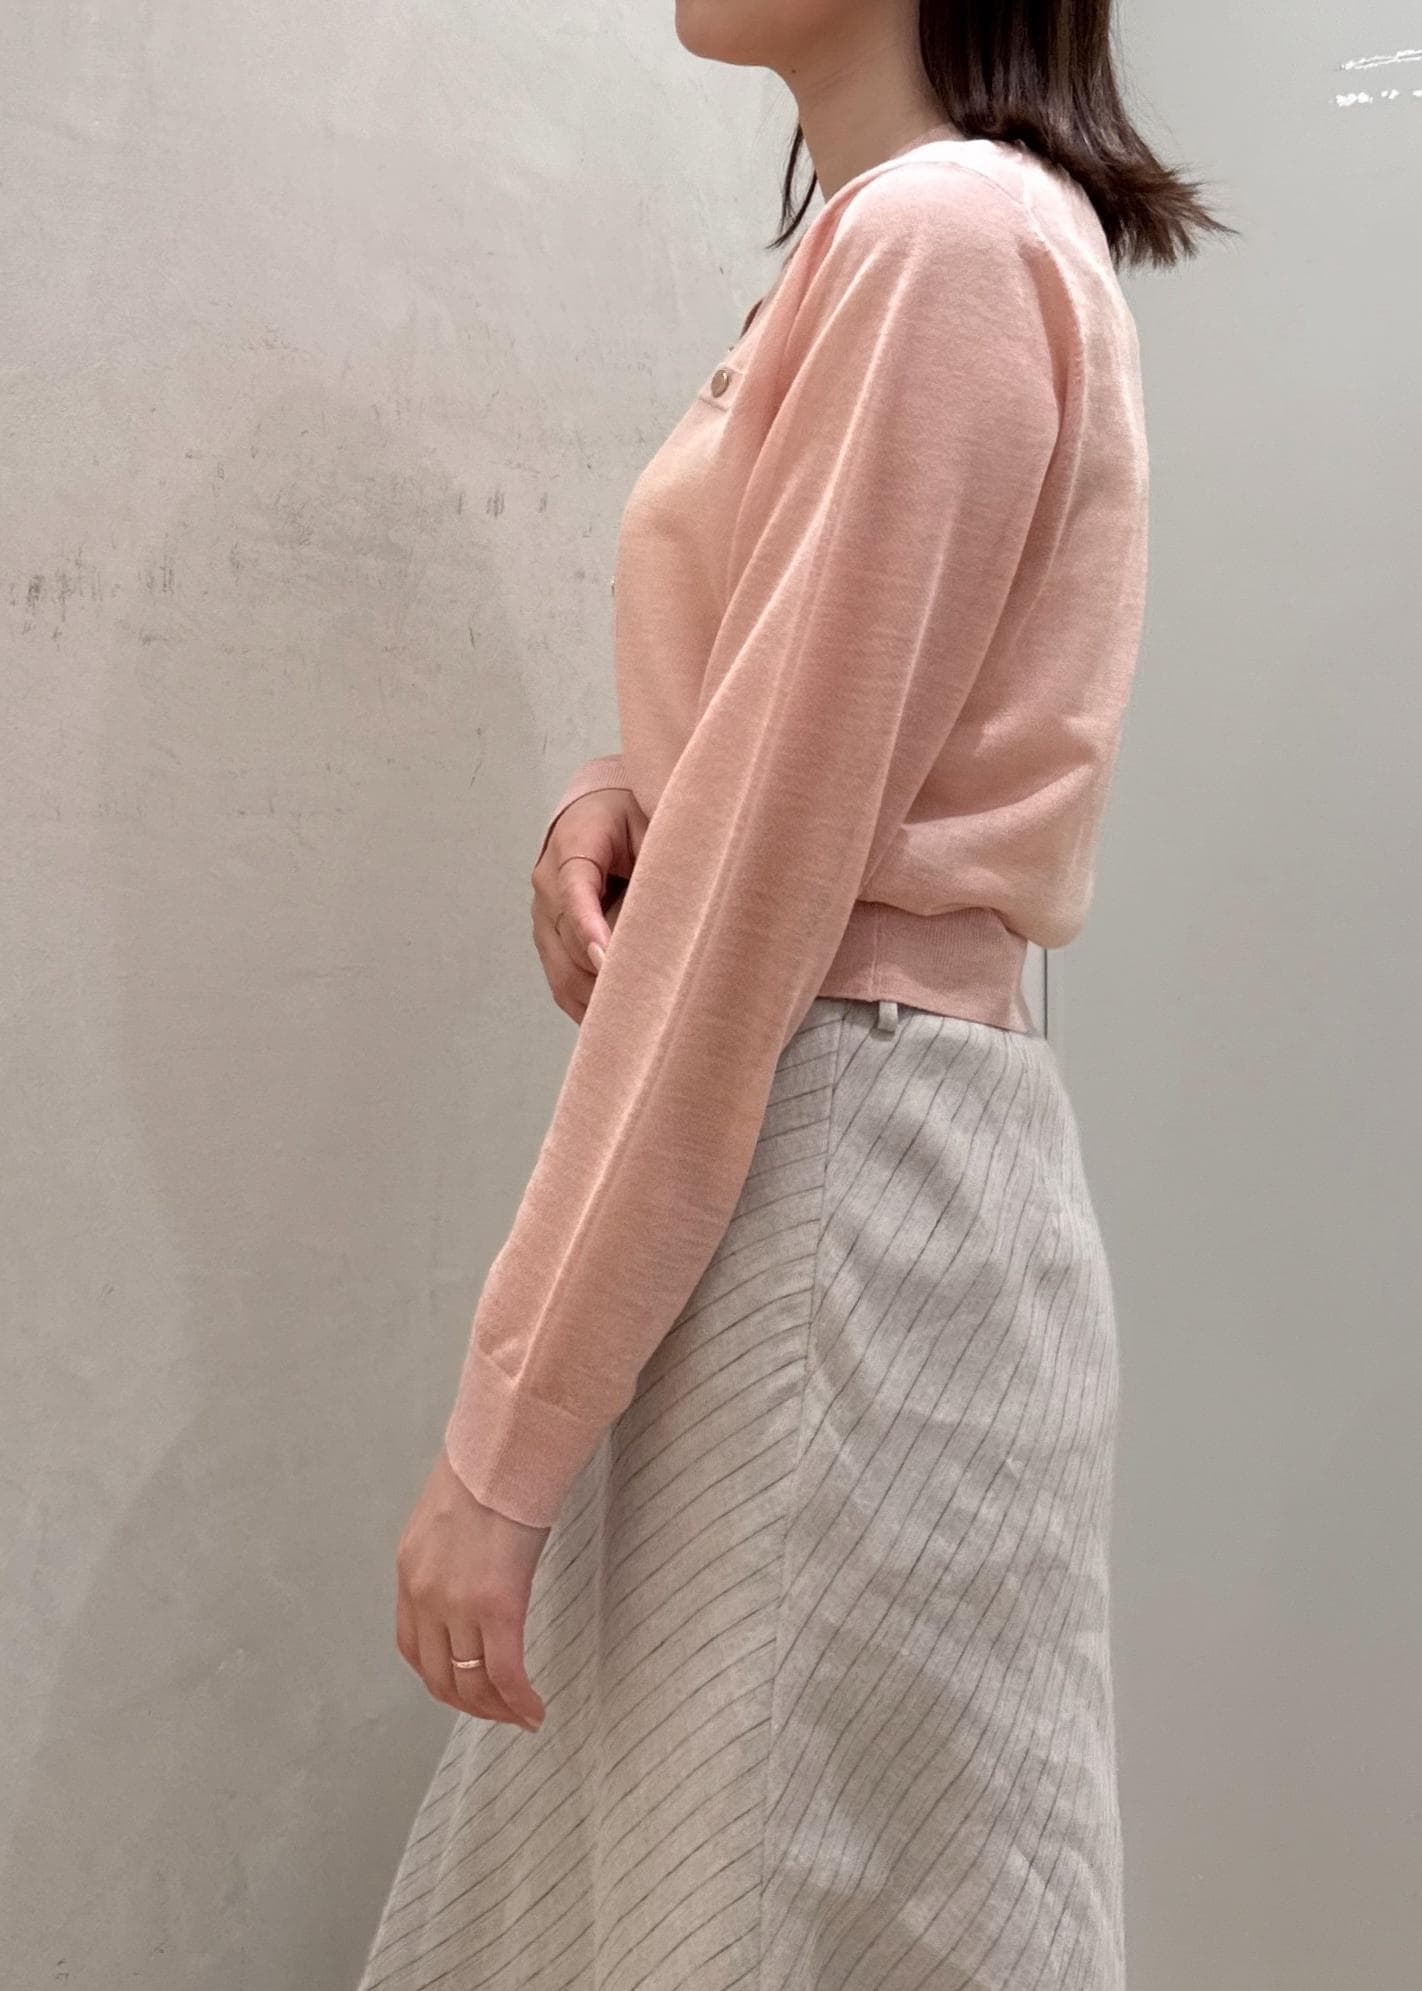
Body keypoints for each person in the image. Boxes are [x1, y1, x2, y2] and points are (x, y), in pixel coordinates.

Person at [357, 4, 1233, 1986]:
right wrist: (621, 793)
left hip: (844, 1205)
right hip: (820, 1179)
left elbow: (764, 887)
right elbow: (799, 762)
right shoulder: (898, 240)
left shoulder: (945, 242)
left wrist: (504, 1442)